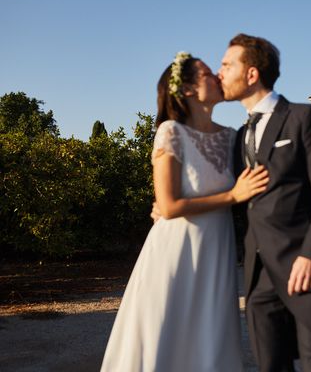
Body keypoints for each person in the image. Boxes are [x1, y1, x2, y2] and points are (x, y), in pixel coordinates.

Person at [101, 52, 268, 372]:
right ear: (188, 89)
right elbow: (169, 205)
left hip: (216, 249)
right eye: (208, 73)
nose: (218, 77)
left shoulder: (231, 137)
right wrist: (233, 195)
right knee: (167, 333)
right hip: (175, 250)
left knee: (208, 336)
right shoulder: (171, 132)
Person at [218, 34, 311, 372]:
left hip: (306, 268)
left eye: (226, 64)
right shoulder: (238, 137)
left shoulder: (305, 118)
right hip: (259, 276)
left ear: (251, 74)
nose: (220, 73)